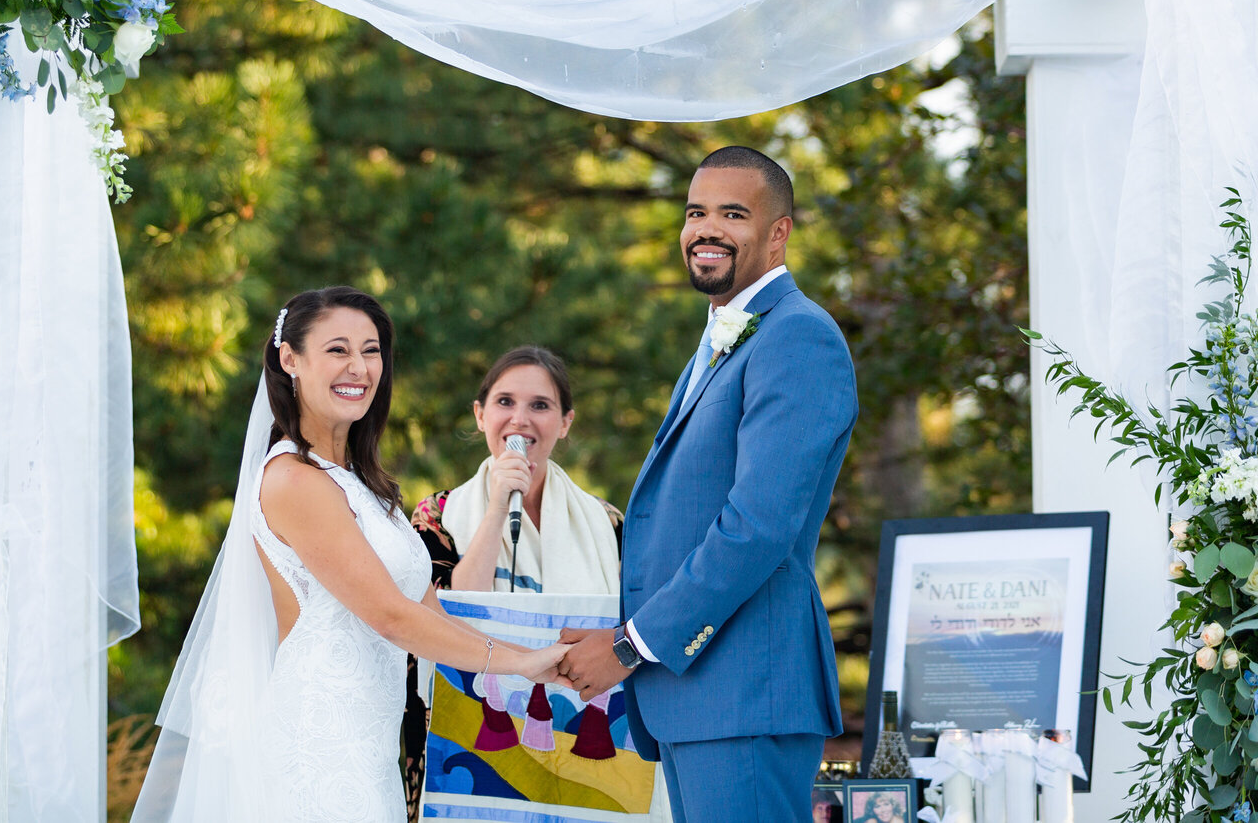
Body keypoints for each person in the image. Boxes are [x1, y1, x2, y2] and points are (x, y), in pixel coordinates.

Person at [132, 287, 570, 823]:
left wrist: (542, 658)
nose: (359, 368)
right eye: (338, 349)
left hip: (367, 748)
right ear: (289, 359)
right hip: (316, 745)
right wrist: (520, 663)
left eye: (372, 350)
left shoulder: (365, 486)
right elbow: (389, 615)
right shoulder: (293, 478)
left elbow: (431, 609)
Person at [554, 147, 859, 823]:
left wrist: (632, 644)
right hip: (699, 700)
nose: (705, 228)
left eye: (732, 213)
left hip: (744, 693)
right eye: (696, 212)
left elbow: (757, 526)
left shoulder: (798, 336)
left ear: (779, 231)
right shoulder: (720, 341)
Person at [412, 345, 622, 594]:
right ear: (480, 415)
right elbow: (447, 613)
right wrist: (498, 509)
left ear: (565, 423)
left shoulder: (607, 521)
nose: (520, 419)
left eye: (540, 405)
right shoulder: (436, 514)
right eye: (505, 402)